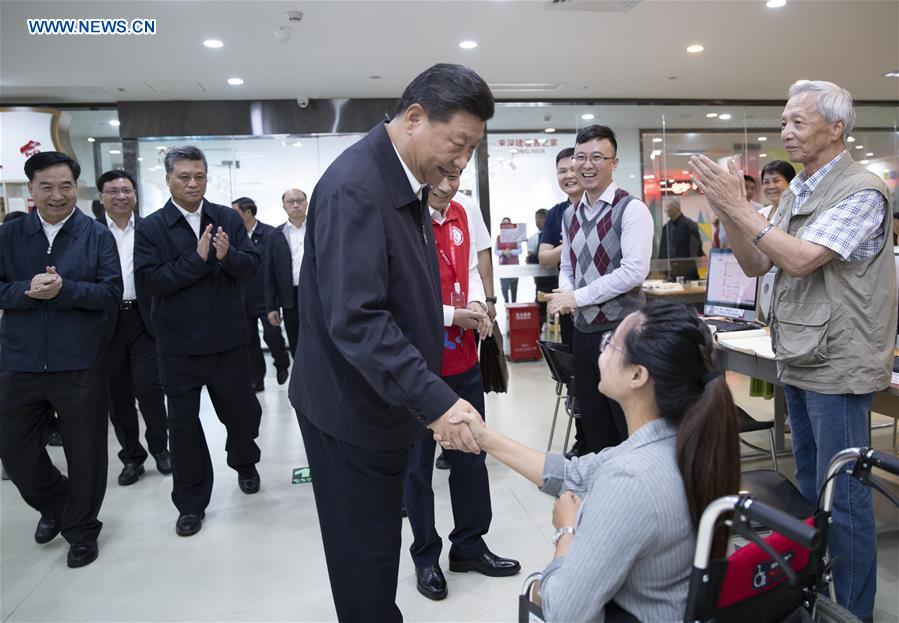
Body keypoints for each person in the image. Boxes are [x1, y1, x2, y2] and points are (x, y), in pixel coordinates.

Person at [288, 63, 494, 622]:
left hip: (382, 403)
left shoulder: (403, 183)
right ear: (414, 117)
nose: (460, 162)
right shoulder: (358, 188)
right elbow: (357, 319)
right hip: (349, 410)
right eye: (458, 143)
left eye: (472, 149)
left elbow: (411, 291)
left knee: (376, 545)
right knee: (365, 556)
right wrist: (436, 401)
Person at [690, 80, 896, 621]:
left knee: (845, 501)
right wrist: (730, 212)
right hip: (800, 356)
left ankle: (853, 613)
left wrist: (743, 206)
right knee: (810, 491)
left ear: (836, 129)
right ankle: (816, 596)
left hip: (838, 363)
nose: (785, 132)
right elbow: (759, 263)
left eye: (798, 122)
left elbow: (802, 258)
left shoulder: (862, 191)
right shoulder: (801, 188)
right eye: (783, 121)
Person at [440, 302, 740, 622]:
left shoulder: (629, 480)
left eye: (610, 342)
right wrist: (484, 438)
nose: (602, 349)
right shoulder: (680, 439)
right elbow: (571, 473)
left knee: (536, 590)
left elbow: (563, 611)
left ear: (638, 375)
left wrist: (566, 531)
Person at [0, 151, 122, 569]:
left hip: (79, 362)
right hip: (20, 361)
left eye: (65, 185)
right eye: (46, 186)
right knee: (13, 450)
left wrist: (65, 289)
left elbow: (110, 294)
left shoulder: (96, 235)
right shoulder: (9, 236)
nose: (57, 195)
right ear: (31, 190)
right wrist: (25, 291)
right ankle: (56, 503)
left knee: (86, 451)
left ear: (77, 187)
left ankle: (82, 528)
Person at [134, 146, 263, 538]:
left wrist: (227, 257)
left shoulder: (226, 217)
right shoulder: (152, 227)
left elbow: (252, 265)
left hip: (228, 340)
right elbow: (152, 281)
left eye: (199, 176)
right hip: (178, 347)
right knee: (184, 428)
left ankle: (244, 462)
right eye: (184, 177)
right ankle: (191, 503)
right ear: (168, 178)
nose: (193, 183)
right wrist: (197, 260)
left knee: (242, 414)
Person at [404, 169, 519, 602]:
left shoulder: (463, 211)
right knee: (417, 466)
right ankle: (425, 555)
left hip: (461, 358)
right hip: (416, 365)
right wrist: (453, 315)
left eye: (455, 177)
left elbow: (471, 267)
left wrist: (475, 301)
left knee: (471, 453)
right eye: (440, 176)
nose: (447, 186)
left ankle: (469, 544)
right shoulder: (403, 219)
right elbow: (401, 296)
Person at [546, 125, 654, 454]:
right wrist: (567, 294)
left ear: (614, 163)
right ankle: (603, 493)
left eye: (597, 157)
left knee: (628, 422)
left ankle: (637, 495)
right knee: (592, 421)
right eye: (581, 157)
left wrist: (577, 297)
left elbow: (634, 271)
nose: (587, 165)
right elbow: (567, 265)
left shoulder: (631, 209)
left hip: (622, 333)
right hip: (583, 331)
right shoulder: (570, 214)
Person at [96, 169, 171, 486]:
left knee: (150, 389)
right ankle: (131, 457)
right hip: (107, 322)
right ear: (102, 198)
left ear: (135, 195)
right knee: (117, 396)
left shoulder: (150, 229)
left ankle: (161, 449)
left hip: (145, 319)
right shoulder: (92, 232)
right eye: (113, 191)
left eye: (126, 190)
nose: (120, 196)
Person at [538, 147, 585, 456]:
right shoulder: (557, 214)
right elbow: (544, 258)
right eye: (561, 171)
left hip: (604, 309)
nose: (568, 175)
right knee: (577, 377)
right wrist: (569, 242)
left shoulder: (606, 209)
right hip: (569, 308)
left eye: (572, 168)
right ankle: (585, 439)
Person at [232, 196, 290, 391]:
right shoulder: (234, 236)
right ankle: (257, 379)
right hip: (243, 296)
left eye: (236, 212)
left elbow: (275, 267)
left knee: (272, 335)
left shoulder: (270, 234)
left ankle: (281, 364)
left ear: (248, 212)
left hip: (265, 296)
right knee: (250, 342)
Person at [265, 188, 307, 358]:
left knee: (321, 338)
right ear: (284, 206)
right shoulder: (275, 235)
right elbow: (269, 273)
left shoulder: (319, 228)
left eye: (300, 200)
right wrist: (271, 307)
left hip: (318, 294)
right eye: (291, 202)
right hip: (290, 297)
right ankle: (302, 380)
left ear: (306, 203)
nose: (296, 205)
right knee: (296, 342)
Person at [658, 198, 704, 263]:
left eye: (669, 207)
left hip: (687, 267)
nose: (666, 210)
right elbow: (663, 249)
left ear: (677, 209)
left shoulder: (690, 225)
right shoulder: (666, 227)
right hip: (671, 269)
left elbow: (696, 250)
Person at [495, 216, 521, 303]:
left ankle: (513, 306)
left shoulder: (516, 236)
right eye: (503, 224)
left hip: (514, 266)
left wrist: (510, 252)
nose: (505, 225)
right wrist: (503, 252)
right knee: (504, 288)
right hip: (503, 267)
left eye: (507, 224)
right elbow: (496, 251)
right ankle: (506, 304)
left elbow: (520, 250)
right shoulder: (498, 237)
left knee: (514, 288)